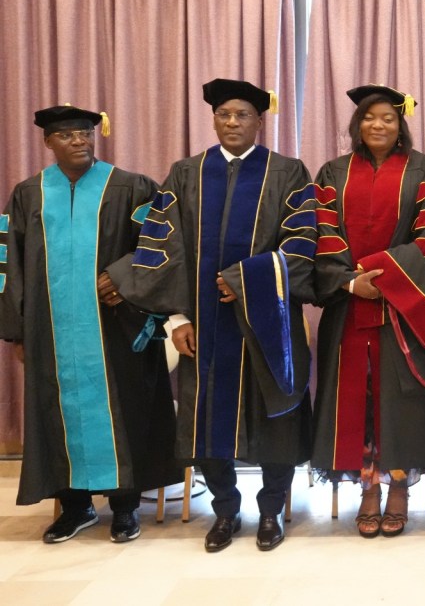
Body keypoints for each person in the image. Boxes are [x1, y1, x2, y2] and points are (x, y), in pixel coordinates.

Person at [107, 79, 317, 552]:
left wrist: (244, 279)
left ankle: (271, 510)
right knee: (206, 420)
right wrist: (178, 319)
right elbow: (162, 246)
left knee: (276, 418)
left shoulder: (288, 172)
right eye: (224, 114)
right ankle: (225, 511)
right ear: (214, 119)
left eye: (242, 115)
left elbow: (303, 244)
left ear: (259, 121)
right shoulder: (186, 173)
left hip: (270, 324)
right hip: (204, 326)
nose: (232, 122)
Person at [0, 105, 180, 543]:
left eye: (84, 132)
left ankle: (125, 508)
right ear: (48, 142)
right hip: (50, 331)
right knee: (57, 412)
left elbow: (162, 240)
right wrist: (17, 330)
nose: (79, 140)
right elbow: (9, 265)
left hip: (118, 326)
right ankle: (75, 507)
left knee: (125, 410)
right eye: (66, 135)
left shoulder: (131, 187)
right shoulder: (28, 194)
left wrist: (123, 276)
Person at [310, 84, 425, 539]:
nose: (378, 125)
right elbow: (323, 235)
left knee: (402, 402)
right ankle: (367, 489)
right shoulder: (333, 172)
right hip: (348, 307)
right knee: (360, 397)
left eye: (388, 118)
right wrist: (350, 281)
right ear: (357, 125)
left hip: (406, 306)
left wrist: (385, 276)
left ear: (401, 125)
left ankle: (397, 489)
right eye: (370, 118)